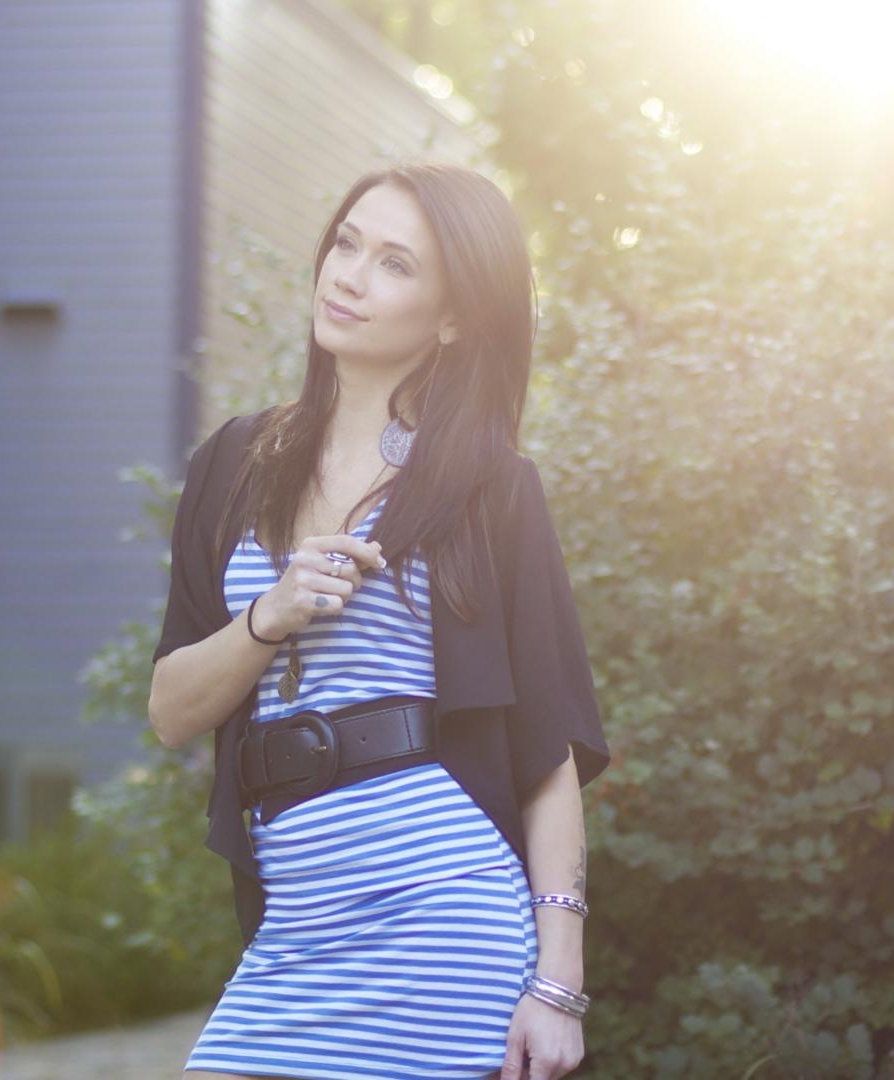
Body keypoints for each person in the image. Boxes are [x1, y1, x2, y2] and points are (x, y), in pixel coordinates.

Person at [148, 162, 612, 1080]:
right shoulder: (233, 463)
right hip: (296, 925)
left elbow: (546, 753)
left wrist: (557, 984)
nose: (349, 276)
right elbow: (171, 711)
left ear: (453, 318)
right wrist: (269, 616)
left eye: (395, 263)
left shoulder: (490, 488)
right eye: (347, 243)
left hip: (442, 912)